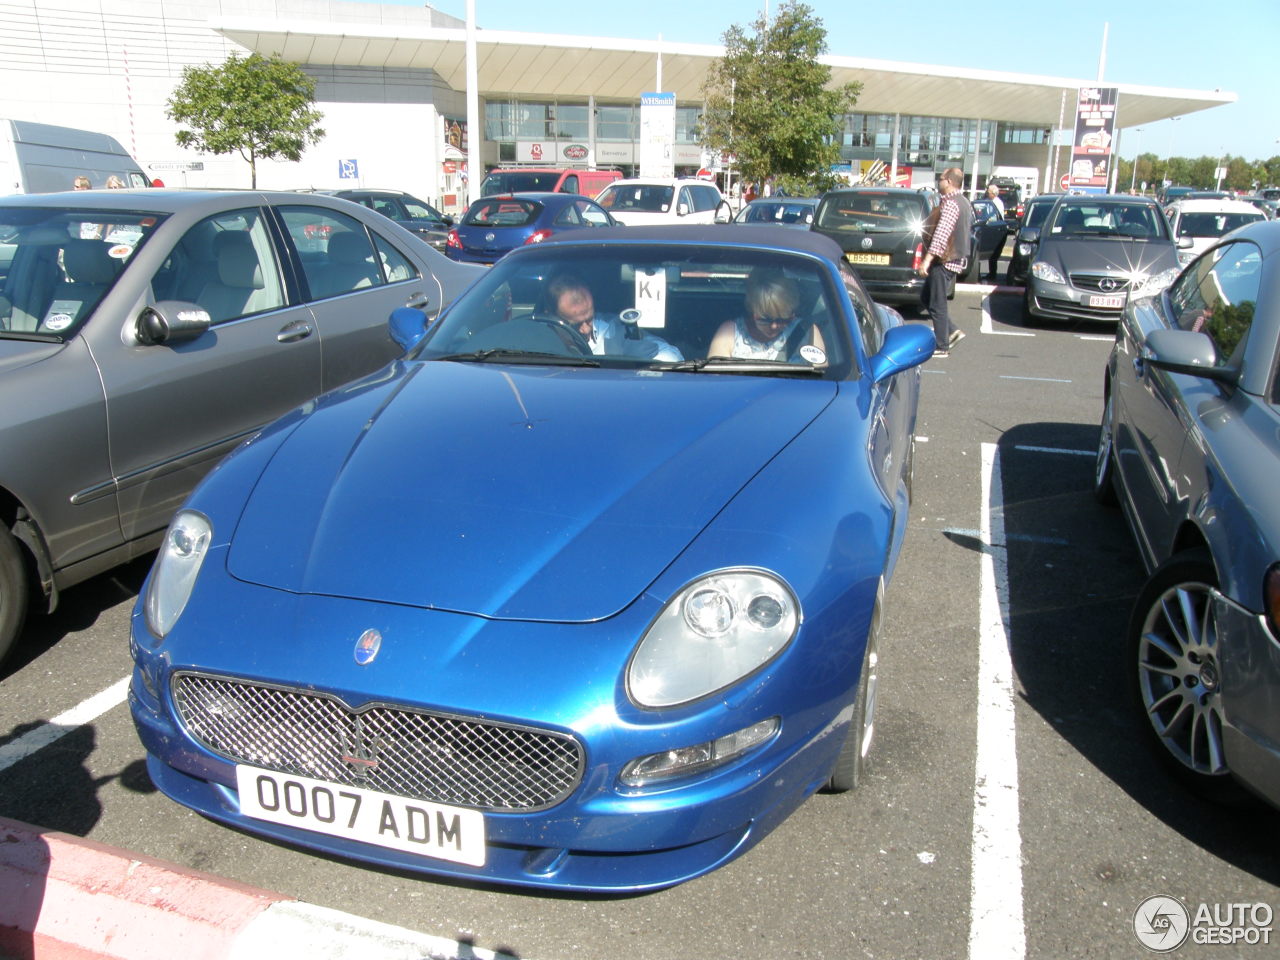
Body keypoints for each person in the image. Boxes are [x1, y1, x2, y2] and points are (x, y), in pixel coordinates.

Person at [546, 274, 682, 361]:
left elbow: (670, 356)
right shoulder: (532, 344)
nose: (586, 330)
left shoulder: (613, 332)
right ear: (551, 316)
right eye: (575, 325)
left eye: (589, 319)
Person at [707, 267, 826, 362]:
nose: (774, 326)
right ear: (752, 309)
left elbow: (823, 381)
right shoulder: (730, 333)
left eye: (782, 319)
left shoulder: (806, 332)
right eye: (765, 319)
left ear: (792, 313)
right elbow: (716, 382)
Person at [918, 168, 973, 357]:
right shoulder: (964, 202)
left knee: (937, 303)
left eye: (940, 178)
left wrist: (926, 260)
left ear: (949, 181)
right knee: (927, 298)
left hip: (944, 260)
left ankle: (942, 346)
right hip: (953, 258)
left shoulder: (951, 204)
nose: (938, 181)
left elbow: (942, 235)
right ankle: (952, 331)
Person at [984, 183, 1006, 282]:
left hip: (997, 229)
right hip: (991, 228)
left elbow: (994, 217)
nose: (987, 193)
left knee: (994, 253)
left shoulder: (997, 203)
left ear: (993, 193)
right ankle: (991, 273)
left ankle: (993, 274)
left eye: (988, 192)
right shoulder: (989, 201)